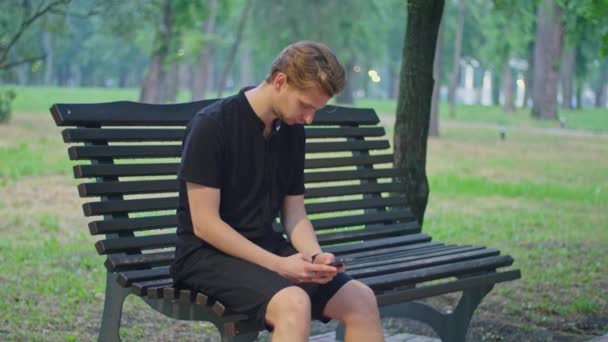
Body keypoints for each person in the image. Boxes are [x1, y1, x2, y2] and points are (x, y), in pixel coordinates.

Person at [170, 41, 383, 342]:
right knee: (294, 303)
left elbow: (294, 212)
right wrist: (279, 265)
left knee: (361, 299)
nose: (309, 118)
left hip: (265, 246)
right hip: (204, 257)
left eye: (316, 110)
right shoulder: (212, 125)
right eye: (305, 105)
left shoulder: (292, 131)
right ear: (280, 81)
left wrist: (314, 256)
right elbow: (205, 225)